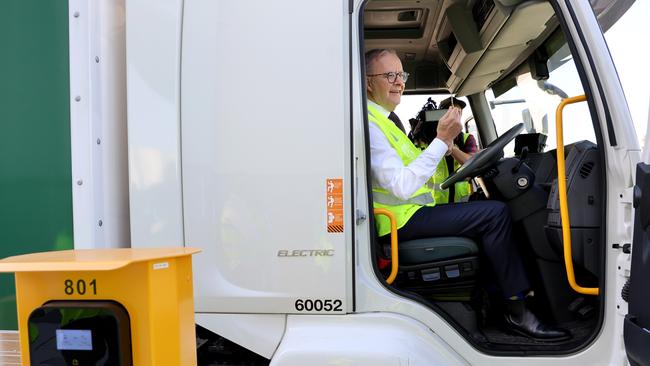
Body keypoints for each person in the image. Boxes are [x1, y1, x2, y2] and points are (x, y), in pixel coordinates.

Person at [365, 48, 568, 340]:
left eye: (401, 74)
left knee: (481, 206)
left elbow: (414, 174)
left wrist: (448, 147)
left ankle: (493, 298)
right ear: (370, 82)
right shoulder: (372, 125)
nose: (399, 82)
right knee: (495, 213)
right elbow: (401, 185)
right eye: (390, 75)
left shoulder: (385, 121)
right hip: (400, 223)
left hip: (408, 216)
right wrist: (442, 139)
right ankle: (517, 310)